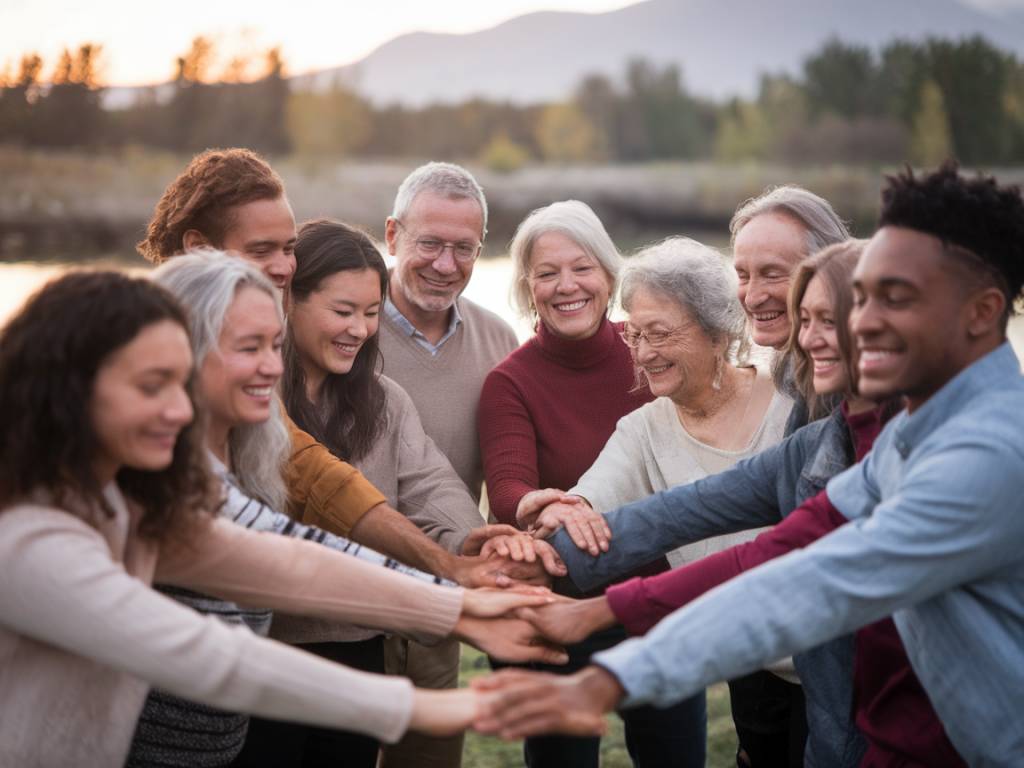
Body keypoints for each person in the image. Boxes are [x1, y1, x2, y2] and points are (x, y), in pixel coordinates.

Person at [477, 164, 1024, 767]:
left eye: (896, 298)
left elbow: (801, 577)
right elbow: (706, 508)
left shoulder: (984, 456)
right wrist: (553, 562)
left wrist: (605, 668)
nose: (860, 322)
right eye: (862, 296)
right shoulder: (886, 433)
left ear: (981, 312)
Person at [0, 270, 553, 768]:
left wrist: (461, 606)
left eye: (179, 382)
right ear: (66, 390)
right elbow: (213, 657)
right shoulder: (29, 540)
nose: (179, 408)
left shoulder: (122, 505)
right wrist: (435, 705)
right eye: (152, 387)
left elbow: (286, 560)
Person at [520, 240, 876, 768]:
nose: (642, 352)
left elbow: (775, 552)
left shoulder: (794, 412)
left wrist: (602, 610)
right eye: (634, 334)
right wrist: (554, 530)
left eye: (660, 333)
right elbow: (635, 505)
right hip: (756, 670)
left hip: (840, 661)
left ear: (718, 330)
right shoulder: (643, 428)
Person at [138, 148, 551, 591]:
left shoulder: (379, 392)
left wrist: (464, 552)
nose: (281, 267)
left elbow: (350, 482)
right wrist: (446, 574)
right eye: (262, 250)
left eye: (288, 249)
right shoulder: (161, 364)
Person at [274, 219, 518, 766]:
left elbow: (431, 486)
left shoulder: (383, 399)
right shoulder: (257, 397)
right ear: (289, 300)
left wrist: (479, 548)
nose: (358, 330)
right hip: (273, 644)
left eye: (369, 313)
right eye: (342, 312)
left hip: (361, 642)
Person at [479, 201, 712, 768]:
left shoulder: (651, 349)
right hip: (563, 606)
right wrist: (534, 504)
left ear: (609, 274)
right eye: (546, 273)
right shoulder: (510, 381)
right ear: (527, 286)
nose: (567, 286)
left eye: (581, 267)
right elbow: (509, 486)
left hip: (659, 602)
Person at [379, 161, 519, 501]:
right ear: (392, 236)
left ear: (480, 250)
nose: (445, 265)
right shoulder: (342, 329)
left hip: (459, 549)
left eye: (463, 249)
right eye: (429, 243)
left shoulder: (499, 340)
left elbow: (506, 479)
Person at [731, 185, 850, 435]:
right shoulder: (790, 366)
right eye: (743, 276)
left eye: (771, 275)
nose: (752, 298)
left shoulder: (856, 375)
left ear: (827, 273)